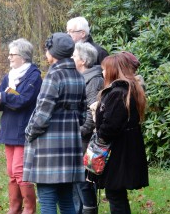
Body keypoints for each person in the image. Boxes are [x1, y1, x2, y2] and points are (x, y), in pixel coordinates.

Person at [23, 32, 87, 214]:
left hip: (48, 147)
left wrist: (29, 133)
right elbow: (83, 114)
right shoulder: (78, 77)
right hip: (70, 145)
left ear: (53, 52)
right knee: (66, 199)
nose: (45, 53)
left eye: (47, 49)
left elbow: (42, 115)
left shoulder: (54, 76)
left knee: (48, 200)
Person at [89, 52, 149, 214]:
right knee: (117, 193)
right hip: (126, 147)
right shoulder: (128, 90)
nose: (102, 73)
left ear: (114, 70)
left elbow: (111, 126)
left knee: (115, 193)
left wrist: (99, 131)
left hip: (118, 151)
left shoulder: (118, 93)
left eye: (105, 69)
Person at [0, 38, 42, 214]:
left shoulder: (34, 76)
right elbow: (4, 97)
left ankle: (29, 209)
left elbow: (24, 101)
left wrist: (3, 97)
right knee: (11, 174)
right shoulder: (9, 76)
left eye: (13, 54)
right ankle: (14, 209)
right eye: (9, 54)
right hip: (9, 127)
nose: (9, 57)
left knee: (20, 172)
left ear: (24, 57)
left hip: (23, 129)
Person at [72, 42, 104, 214]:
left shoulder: (94, 80)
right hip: (79, 138)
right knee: (77, 181)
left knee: (84, 182)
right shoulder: (80, 78)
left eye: (74, 56)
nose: (71, 59)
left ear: (83, 60)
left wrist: (77, 132)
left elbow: (92, 113)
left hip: (85, 140)